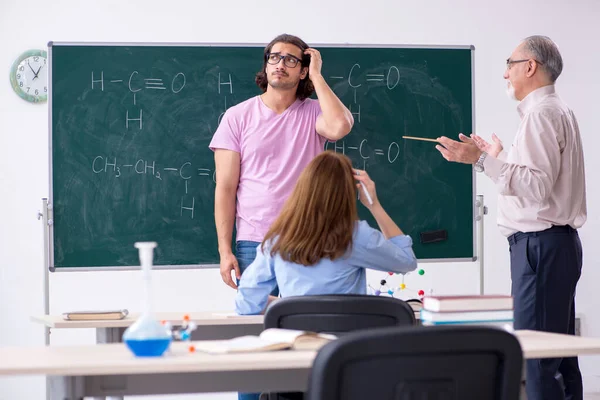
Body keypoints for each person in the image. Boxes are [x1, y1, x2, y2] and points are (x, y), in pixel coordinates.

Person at [435, 35, 586, 400]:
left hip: (539, 247)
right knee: (558, 357)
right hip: (554, 245)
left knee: (535, 359)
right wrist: (498, 156)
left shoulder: (540, 114)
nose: (505, 74)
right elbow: (538, 178)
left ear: (530, 67)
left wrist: (481, 160)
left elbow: (535, 187)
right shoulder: (555, 111)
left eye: (509, 64)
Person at [209, 34, 353, 295]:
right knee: (263, 326)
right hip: (255, 242)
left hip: (310, 238)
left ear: (302, 72)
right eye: (274, 58)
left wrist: (317, 77)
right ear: (266, 65)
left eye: (290, 60)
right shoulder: (237, 117)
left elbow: (340, 126)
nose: (280, 65)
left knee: (308, 323)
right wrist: (224, 250)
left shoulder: (314, 113)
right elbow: (226, 188)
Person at [235, 151, 417, 315]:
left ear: (302, 188)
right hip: (347, 346)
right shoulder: (356, 236)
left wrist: (291, 305)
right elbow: (406, 261)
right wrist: (374, 205)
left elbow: (245, 304)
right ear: (347, 192)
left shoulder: (277, 240)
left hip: (298, 345)